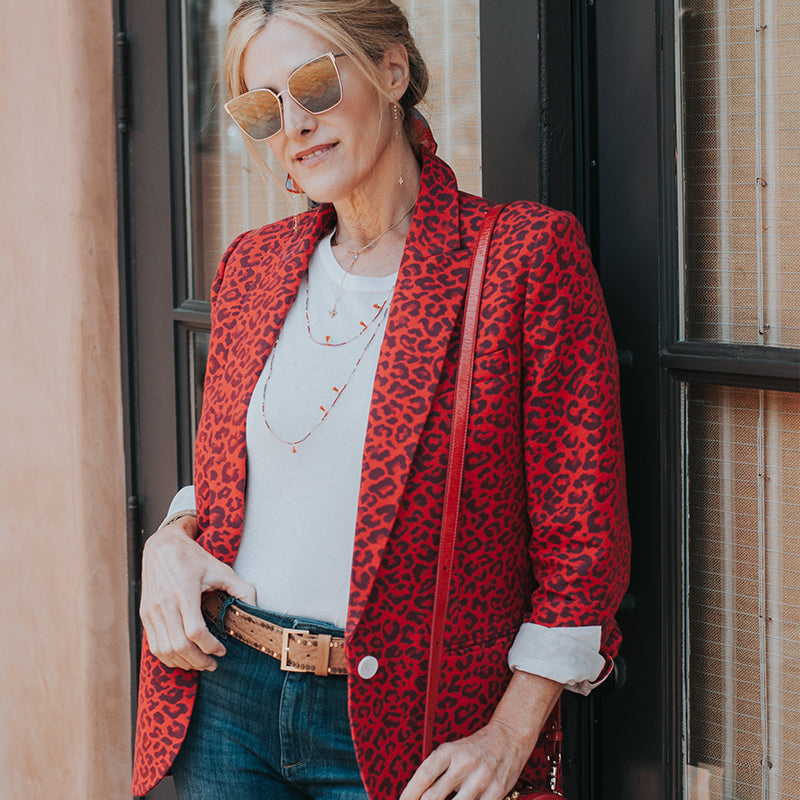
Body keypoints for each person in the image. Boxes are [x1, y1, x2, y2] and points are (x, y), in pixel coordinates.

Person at [132, 1, 631, 798]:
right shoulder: (254, 267)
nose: (293, 124)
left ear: (392, 71)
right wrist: (170, 539)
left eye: (314, 87)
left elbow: (584, 537)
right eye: (265, 107)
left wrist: (510, 734)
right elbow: (244, 470)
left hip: (407, 730)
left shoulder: (518, 260)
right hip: (223, 700)